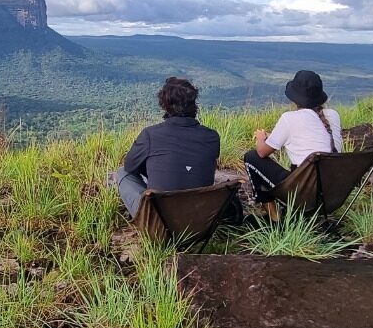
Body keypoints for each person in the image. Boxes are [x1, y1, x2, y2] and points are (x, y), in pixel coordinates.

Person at [114, 77, 220, 219]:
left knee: (122, 173)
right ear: (194, 104)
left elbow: (129, 166)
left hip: (158, 224)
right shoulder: (212, 137)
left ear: (165, 105)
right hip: (199, 221)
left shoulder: (150, 135)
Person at [243, 70, 343, 201]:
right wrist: (274, 136)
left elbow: (262, 152)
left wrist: (261, 138)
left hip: (302, 194)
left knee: (252, 157)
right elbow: (309, 138)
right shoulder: (333, 116)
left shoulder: (289, 118)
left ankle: (274, 217)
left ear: (295, 98)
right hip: (331, 194)